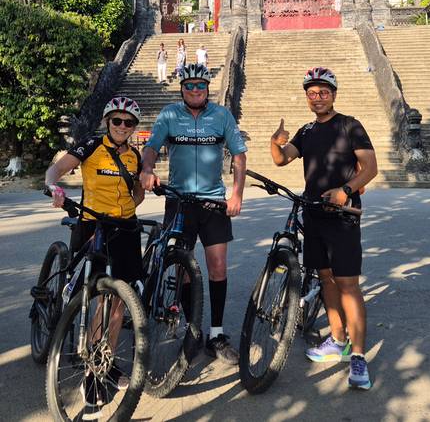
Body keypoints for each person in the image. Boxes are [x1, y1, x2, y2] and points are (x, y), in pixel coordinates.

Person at [270, 67, 377, 390]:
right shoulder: (306, 131)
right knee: (326, 278)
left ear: (333, 94)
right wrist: (275, 143)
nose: (317, 98)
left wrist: (346, 190)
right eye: (312, 93)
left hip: (342, 215)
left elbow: (370, 168)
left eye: (323, 92)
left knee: (348, 284)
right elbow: (282, 160)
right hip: (314, 212)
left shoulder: (350, 126)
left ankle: (358, 357)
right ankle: (338, 338)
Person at [140, 63, 247, 365]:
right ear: (182, 89)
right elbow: (151, 147)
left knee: (217, 267)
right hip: (179, 201)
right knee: (182, 268)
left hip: (214, 202)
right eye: (190, 86)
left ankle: (216, 333)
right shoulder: (170, 115)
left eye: (201, 85)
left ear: (208, 88)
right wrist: (147, 169)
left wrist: (236, 193)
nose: (196, 90)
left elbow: (239, 155)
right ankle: (192, 328)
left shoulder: (222, 116)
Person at [45, 96, 145, 417]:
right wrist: (54, 188)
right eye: (117, 121)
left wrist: (145, 186)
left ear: (133, 128)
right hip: (93, 224)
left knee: (119, 300)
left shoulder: (135, 156)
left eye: (128, 123)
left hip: (125, 228)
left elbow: (136, 194)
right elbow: (57, 169)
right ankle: (93, 374)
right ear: (107, 122)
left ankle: (104, 363)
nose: (122, 127)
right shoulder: (90, 145)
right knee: (97, 297)